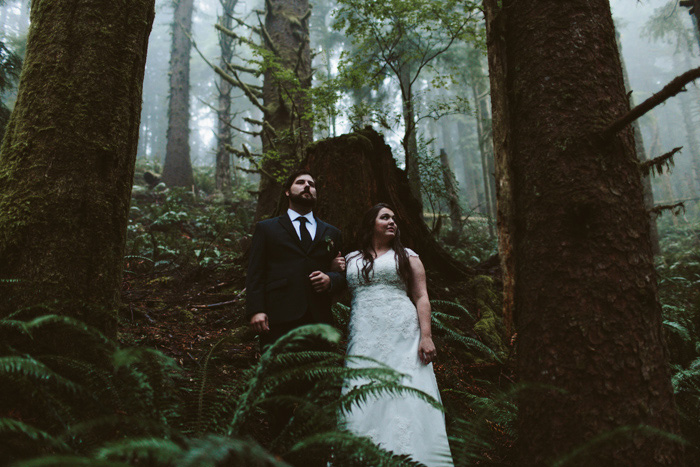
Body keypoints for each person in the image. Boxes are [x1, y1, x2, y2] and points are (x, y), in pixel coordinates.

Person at [340, 203, 454, 467]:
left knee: (407, 390)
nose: (392, 222)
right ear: (371, 224)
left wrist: (426, 336)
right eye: (385, 217)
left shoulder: (408, 256)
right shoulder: (351, 258)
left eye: (394, 218)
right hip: (364, 333)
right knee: (362, 388)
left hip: (403, 334)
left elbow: (421, 296)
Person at [246, 169, 346, 349]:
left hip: (319, 318)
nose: (307, 186)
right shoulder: (266, 229)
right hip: (279, 316)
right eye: (300, 182)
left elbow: (343, 274)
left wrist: (330, 279)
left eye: (312, 184)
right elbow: (255, 272)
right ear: (287, 191)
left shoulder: (332, 232)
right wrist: (256, 310)